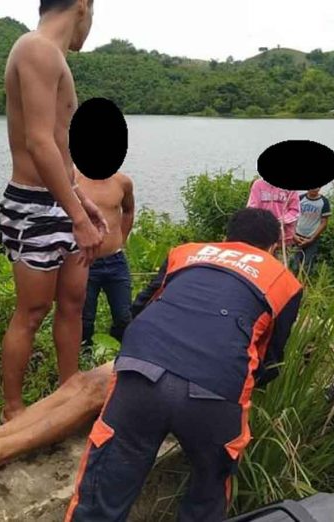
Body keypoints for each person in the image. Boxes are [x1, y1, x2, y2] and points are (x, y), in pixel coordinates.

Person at [66, 208, 303, 522]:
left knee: (103, 491)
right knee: (209, 492)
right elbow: (270, 360)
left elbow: (139, 307)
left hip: (141, 371)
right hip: (217, 388)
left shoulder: (187, 253)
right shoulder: (284, 281)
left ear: (225, 238)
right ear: (274, 247)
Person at [0, 0, 108, 423]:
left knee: (73, 303)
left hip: (62, 199)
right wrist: (77, 217)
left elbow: (61, 150)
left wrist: (83, 201)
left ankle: (70, 393)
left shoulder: (54, 57)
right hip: (34, 203)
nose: (93, 23)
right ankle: (13, 409)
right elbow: (38, 143)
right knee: (32, 311)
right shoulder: (36, 48)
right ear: (83, 5)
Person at [77, 169, 135, 347]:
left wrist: (122, 239)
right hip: (85, 262)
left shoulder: (123, 182)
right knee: (84, 319)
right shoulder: (73, 180)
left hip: (116, 261)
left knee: (124, 316)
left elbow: (128, 210)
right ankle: (83, 359)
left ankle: (119, 356)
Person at [247, 177, 300, 260]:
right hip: (262, 237)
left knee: (280, 267)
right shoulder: (258, 184)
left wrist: (281, 221)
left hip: (283, 239)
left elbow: (295, 211)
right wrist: (265, 222)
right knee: (260, 264)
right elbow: (252, 208)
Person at [289, 187, 331, 275]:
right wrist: (293, 235)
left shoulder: (324, 202)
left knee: (307, 266)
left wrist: (312, 238)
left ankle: (305, 286)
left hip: (312, 239)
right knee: (294, 264)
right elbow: (293, 217)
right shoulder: (300, 199)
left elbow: (324, 222)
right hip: (297, 236)